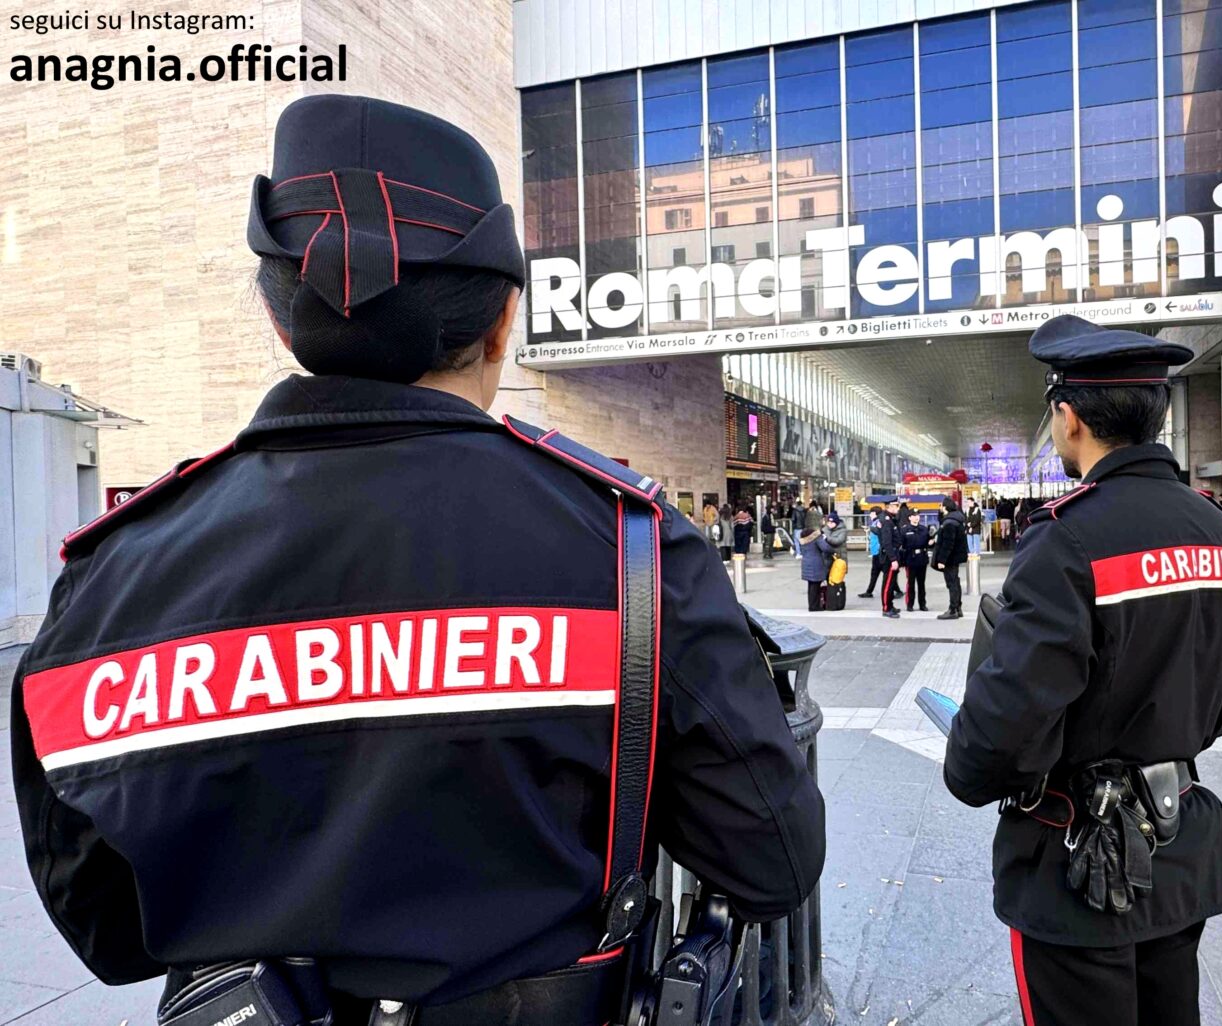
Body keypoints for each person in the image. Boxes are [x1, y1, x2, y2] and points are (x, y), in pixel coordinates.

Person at [10, 95, 825, 1026]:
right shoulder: (629, 549)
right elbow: (771, 861)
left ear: (279, 317)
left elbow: (106, 931)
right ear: (503, 321)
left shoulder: (110, 575)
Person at [945, 315, 1222, 1026]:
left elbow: (1010, 717)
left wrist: (968, 767)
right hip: (1178, 843)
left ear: (1069, 417)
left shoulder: (1067, 536)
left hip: (1075, 860)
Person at [933, 497, 967, 620]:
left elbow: (948, 543)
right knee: (955, 582)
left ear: (945, 507)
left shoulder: (949, 523)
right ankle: (958, 607)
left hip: (950, 558)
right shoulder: (957, 519)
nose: (940, 508)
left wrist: (942, 560)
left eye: (941, 506)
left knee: (951, 583)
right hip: (956, 556)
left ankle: (953, 609)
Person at [897, 510, 931, 612]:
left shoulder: (924, 529)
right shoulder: (904, 530)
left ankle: (922, 604)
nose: (916, 517)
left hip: (922, 558)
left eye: (918, 515)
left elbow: (929, 543)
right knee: (910, 583)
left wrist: (931, 542)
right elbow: (901, 546)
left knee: (921, 583)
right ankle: (910, 604)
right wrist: (901, 562)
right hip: (910, 559)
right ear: (909, 518)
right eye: (914, 515)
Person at [876, 499, 903, 618]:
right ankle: (886, 608)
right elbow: (887, 542)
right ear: (889, 507)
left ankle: (890, 604)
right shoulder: (886, 520)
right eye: (896, 506)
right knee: (888, 583)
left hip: (893, 553)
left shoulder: (891, 519)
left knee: (891, 582)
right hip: (889, 555)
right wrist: (893, 559)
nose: (898, 508)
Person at [799, 527, 833, 611]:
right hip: (816, 563)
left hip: (806, 562)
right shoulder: (817, 537)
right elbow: (825, 548)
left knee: (811, 585)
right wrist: (833, 549)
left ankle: (812, 605)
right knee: (816, 586)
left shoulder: (802, 539)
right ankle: (815, 606)